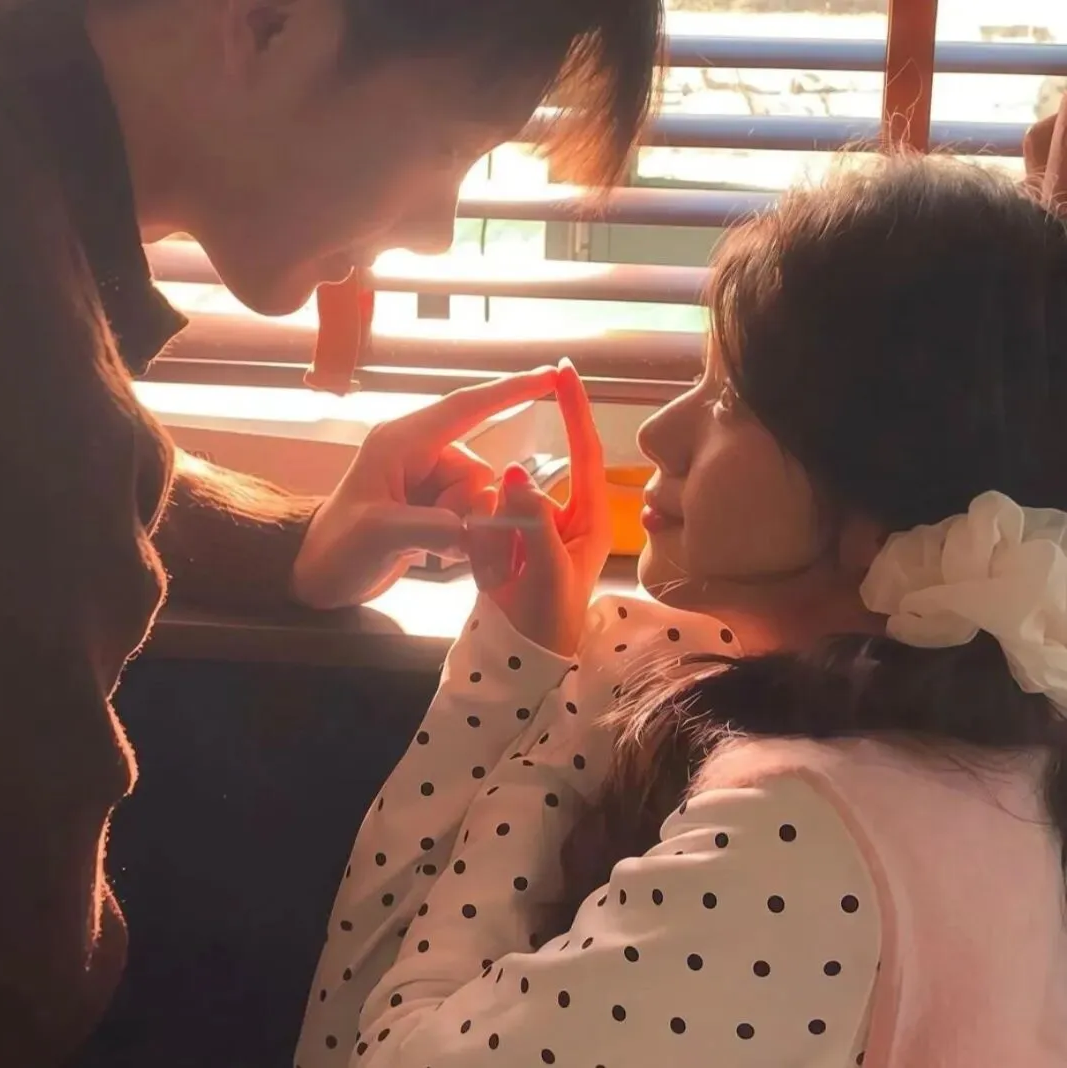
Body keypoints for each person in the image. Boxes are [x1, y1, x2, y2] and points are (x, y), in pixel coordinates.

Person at [0, 0, 664, 1063]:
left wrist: (293, 546)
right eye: (452, 146)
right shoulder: (28, 370)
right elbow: (19, 981)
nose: (437, 228)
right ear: (268, 23)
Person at [295, 154, 1067, 1067]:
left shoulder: (800, 839)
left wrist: (543, 692)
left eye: (731, 399)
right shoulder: (1000, 760)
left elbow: (374, 1053)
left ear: (882, 496)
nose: (661, 432)